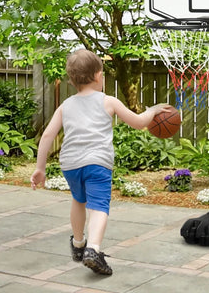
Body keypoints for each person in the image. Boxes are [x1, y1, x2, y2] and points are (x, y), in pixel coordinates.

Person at [30, 49, 172, 276]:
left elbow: (47, 136)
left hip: (71, 164)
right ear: (98, 76)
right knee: (99, 206)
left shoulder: (66, 105)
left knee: (79, 200)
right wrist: (153, 110)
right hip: (97, 163)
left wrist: (40, 168)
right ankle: (93, 250)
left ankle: (78, 245)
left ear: (72, 79)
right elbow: (137, 122)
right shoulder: (109, 101)